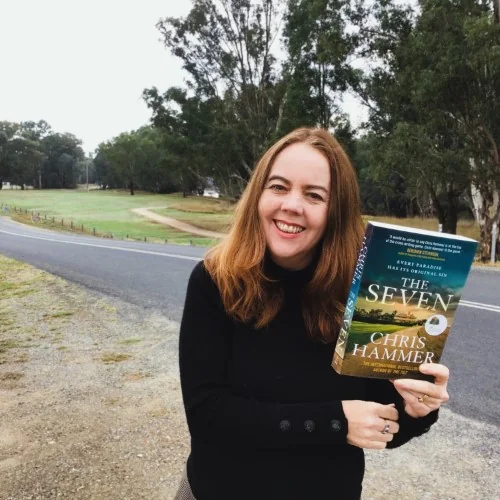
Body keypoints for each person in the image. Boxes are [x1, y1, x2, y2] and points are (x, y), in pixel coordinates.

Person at [176, 128, 449, 500]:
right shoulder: (216, 280)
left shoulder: (372, 292)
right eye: (278, 186)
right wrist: (335, 422)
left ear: (335, 211)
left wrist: (417, 412)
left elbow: (382, 426)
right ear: (258, 194)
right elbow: (208, 416)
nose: (292, 205)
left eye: (314, 195)